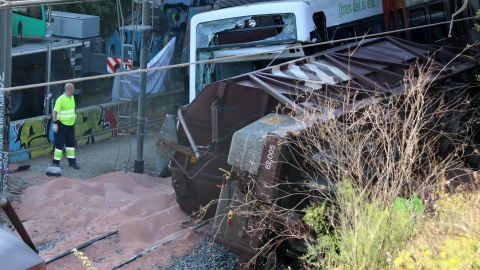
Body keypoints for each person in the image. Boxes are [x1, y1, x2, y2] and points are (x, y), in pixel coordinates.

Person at [52, 83, 80, 169]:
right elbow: (55, 112)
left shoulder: (72, 98)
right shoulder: (60, 99)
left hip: (70, 125)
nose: (74, 89)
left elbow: (73, 108)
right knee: (59, 144)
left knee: (71, 144)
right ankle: (56, 162)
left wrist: (74, 115)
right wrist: (55, 123)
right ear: (70, 89)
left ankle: (72, 162)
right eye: (73, 88)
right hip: (62, 125)